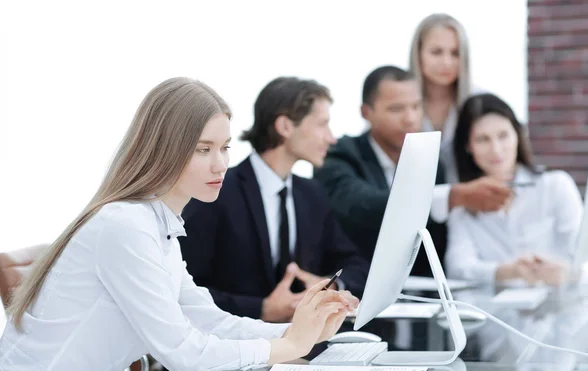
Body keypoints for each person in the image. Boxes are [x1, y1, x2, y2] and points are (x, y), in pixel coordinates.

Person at [0, 77, 358, 370]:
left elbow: (210, 321)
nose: (220, 165)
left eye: (225, 148)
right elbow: (185, 354)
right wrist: (290, 344)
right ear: (164, 149)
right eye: (204, 150)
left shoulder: (159, 225)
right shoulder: (125, 226)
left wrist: (304, 333)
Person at [180, 76, 369, 324]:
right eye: (322, 124)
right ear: (285, 126)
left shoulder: (311, 195)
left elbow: (355, 263)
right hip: (233, 349)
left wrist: (331, 286)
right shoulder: (216, 193)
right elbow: (186, 291)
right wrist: (260, 309)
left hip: (304, 346)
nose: (331, 138)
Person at [313, 66, 512, 276]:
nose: (410, 118)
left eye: (416, 107)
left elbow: (436, 246)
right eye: (396, 109)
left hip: (421, 296)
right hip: (354, 289)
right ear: (366, 113)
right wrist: (451, 196)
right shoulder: (339, 154)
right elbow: (360, 204)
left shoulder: (430, 162)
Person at [445, 93, 582, 286]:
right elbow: (457, 269)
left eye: (503, 136)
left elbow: (586, 254)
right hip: (492, 313)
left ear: (517, 134)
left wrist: (567, 272)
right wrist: (507, 271)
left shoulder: (555, 186)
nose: (496, 149)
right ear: (468, 146)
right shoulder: (464, 206)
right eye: (483, 139)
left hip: (562, 309)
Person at [409, 13, 476, 184]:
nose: (447, 62)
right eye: (436, 52)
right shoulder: (398, 102)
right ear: (418, 54)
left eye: (455, 53)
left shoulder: (478, 103)